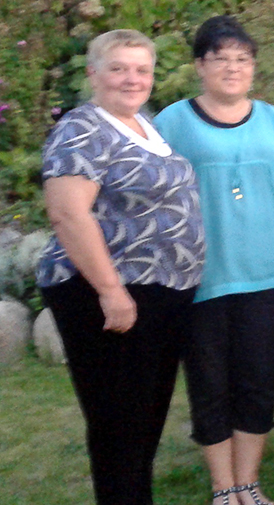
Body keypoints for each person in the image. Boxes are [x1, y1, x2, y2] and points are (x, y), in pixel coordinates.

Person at [37, 30, 205, 505]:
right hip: (110, 294)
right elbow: (67, 213)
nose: (132, 79)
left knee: (143, 424)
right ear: (93, 74)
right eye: (118, 68)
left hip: (158, 296)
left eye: (142, 70)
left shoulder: (142, 124)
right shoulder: (83, 128)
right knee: (120, 428)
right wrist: (111, 291)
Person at [155, 15, 274, 505]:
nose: (232, 67)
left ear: (253, 66)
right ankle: (223, 487)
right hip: (201, 276)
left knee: (258, 381)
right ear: (200, 66)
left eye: (242, 58)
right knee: (209, 384)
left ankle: (248, 482)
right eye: (220, 58)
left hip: (264, 275)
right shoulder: (172, 123)